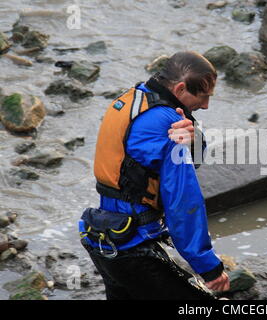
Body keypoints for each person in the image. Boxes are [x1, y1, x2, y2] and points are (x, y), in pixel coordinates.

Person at [79, 51, 230, 300]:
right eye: (203, 97)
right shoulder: (171, 128)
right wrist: (208, 267)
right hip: (135, 248)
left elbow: (194, 158)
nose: (206, 106)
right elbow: (183, 203)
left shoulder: (132, 100)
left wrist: (195, 138)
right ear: (180, 88)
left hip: (103, 241)